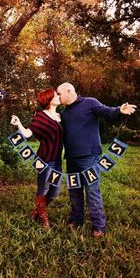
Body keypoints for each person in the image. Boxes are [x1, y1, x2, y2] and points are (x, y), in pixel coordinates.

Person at [57, 82, 137, 238]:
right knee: (74, 191)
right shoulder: (64, 113)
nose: (58, 96)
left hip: (90, 157)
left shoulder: (90, 102)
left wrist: (119, 110)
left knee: (92, 191)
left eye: (59, 93)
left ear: (69, 91)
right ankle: (76, 218)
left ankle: (98, 225)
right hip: (71, 158)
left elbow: (107, 112)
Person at [11, 89, 63, 228]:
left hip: (57, 159)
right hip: (45, 159)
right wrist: (18, 123)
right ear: (49, 99)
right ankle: (44, 219)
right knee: (44, 188)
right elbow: (28, 134)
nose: (59, 96)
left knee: (55, 191)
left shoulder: (60, 116)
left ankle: (36, 211)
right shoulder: (41, 117)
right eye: (56, 95)